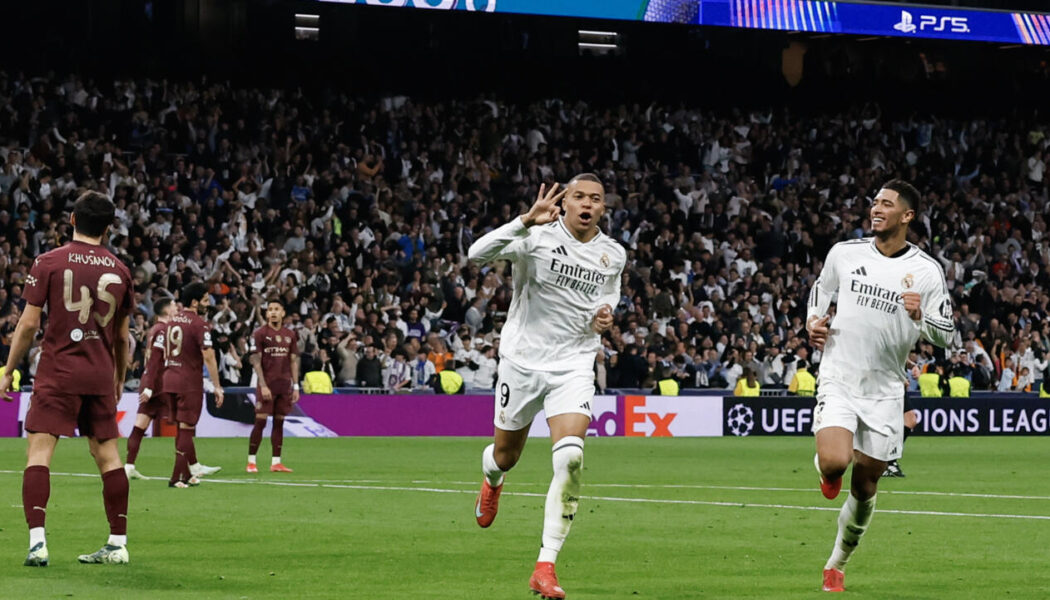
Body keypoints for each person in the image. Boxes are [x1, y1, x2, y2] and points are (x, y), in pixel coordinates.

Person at [467, 174, 626, 599]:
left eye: (596, 199)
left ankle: (546, 565)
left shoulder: (613, 253)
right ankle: (492, 479)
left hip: (573, 363)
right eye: (579, 197)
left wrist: (605, 313)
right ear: (566, 202)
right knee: (505, 455)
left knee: (571, 457)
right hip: (522, 362)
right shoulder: (535, 236)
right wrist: (523, 220)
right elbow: (475, 254)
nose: (587, 204)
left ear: (603, 208)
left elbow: (609, 293)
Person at [807, 180, 954, 592]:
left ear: (906, 216)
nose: (876, 209)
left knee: (866, 483)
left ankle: (837, 562)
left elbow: (948, 336)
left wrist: (922, 315)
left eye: (886, 205)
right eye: (874, 203)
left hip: (886, 390)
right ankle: (827, 468)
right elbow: (821, 290)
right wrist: (812, 322)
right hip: (839, 375)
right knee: (836, 461)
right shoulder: (845, 253)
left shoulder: (926, 271)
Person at [0, 192, 134, 566]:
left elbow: (28, 325)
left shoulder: (48, 261)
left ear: (72, 219)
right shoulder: (121, 271)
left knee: (39, 453)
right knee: (108, 457)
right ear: (108, 229)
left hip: (58, 370)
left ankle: (38, 543)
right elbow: (123, 337)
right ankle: (118, 543)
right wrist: (119, 378)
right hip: (99, 373)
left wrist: (9, 371)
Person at [164, 282, 225, 488]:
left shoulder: (172, 321)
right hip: (188, 381)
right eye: (205, 300)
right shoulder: (199, 324)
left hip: (170, 378)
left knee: (182, 429)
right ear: (194, 302)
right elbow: (209, 355)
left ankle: (187, 473)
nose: (208, 304)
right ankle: (176, 478)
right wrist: (217, 385)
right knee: (188, 428)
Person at [247, 300, 301, 473]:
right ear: (266, 314)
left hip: (284, 385)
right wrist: (262, 385)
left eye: (277, 309)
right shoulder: (260, 333)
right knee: (260, 422)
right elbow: (256, 361)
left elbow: (293, 360)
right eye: (270, 310)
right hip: (267, 384)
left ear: (283, 313)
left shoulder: (290, 334)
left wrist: (296, 386)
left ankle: (276, 462)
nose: (273, 312)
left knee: (279, 422)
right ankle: (251, 461)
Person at [124, 297, 175, 480]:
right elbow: (155, 360)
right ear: (167, 310)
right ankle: (191, 467)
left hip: (151, 382)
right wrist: (150, 387)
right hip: (159, 385)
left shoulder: (154, 330)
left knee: (139, 426)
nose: (176, 308)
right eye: (174, 305)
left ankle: (129, 465)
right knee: (184, 424)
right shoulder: (162, 330)